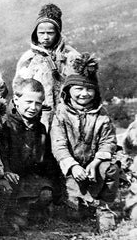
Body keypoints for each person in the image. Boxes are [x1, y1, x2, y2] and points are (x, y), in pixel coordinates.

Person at [50, 53, 119, 223]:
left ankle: (104, 207)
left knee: (111, 169)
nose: (84, 94)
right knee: (74, 215)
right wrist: (73, 166)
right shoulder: (60, 114)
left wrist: (96, 162)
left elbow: (108, 141)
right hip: (70, 169)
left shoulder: (102, 114)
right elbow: (59, 145)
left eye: (89, 89)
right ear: (68, 90)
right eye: (78, 89)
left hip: (94, 165)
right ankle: (75, 202)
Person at [0, 78, 60, 230]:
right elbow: (1, 153)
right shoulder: (5, 125)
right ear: (16, 100)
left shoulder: (40, 128)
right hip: (10, 175)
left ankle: (28, 214)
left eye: (38, 103)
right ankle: (14, 216)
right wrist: (6, 170)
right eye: (28, 102)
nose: (33, 107)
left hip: (28, 177)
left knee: (46, 193)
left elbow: (43, 159)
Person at [14, 3, 79, 131]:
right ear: (35, 33)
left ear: (58, 33)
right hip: (38, 116)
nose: (45, 37)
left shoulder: (72, 56)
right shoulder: (28, 59)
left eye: (50, 33)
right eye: (41, 32)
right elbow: (19, 88)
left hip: (67, 116)